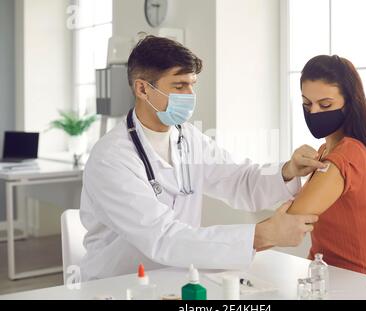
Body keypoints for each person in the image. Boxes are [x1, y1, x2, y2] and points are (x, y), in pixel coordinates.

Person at [79, 35, 324, 281]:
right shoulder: (111, 158)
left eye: (192, 84)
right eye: (179, 86)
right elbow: (162, 237)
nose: (190, 94)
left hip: (177, 280)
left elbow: (240, 180)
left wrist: (288, 170)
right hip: (118, 285)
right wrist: (260, 235)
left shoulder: (189, 138)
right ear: (143, 89)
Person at [287, 55, 366, 278]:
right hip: (323, 276)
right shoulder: (324, 151)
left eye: (325, 104)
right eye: (307, 104)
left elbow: (291, 221)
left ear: (350, 102)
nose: (314, 112)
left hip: (355, 285)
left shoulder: (349, 154)